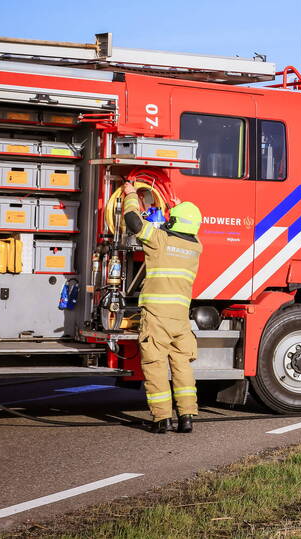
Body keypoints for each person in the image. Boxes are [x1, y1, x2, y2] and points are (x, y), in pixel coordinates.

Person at [122, 181, 204, 434]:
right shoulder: (195, 247)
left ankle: (161, 419)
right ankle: (187, 416)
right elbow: (184, 226)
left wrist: (131, 195)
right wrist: (177, 208)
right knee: (181, 366)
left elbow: (133, 221)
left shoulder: (159, 240)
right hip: (180, 319)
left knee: (155, 365)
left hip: (157, 317)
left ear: (173, 223)